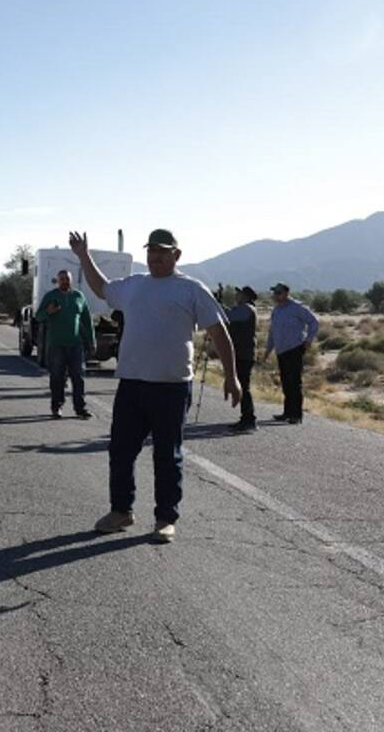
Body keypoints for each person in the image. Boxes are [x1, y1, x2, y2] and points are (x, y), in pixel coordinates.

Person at [70, 229, 241, 543]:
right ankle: (121, 511)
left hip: (171, 387)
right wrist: (83, 256)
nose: (155, 257)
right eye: (151, 251)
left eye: (162, 252)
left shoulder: (191, 289)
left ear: (176, 255)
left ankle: (165, 518)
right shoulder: (135, 285)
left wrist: (232, 376)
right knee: (121, 451)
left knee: (167, 454)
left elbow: (219, 333)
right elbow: (101, 288)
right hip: (132, 384)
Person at [34, 269, 94, 419]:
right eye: (61, 279)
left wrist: (91, 341)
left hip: (76, 344)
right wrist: (48, 312)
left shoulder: (79, 296)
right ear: (57, 281)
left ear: (71, 280)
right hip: (56, 345)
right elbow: (38, 316)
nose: (64, 282)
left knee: (78, 377)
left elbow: (87, 321)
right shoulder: (51, 296)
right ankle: (57, 407)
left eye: (67, 279)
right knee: (57, 377)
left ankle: (80, 409)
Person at [262, 283, 319, 424]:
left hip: (294, 349)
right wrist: (268, 350)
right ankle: (287, 412)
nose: (275, 295)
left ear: (286, 293)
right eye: (274, 292)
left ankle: (297, 415)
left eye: (278, 292)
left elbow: (313, 322)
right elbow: (272, 332)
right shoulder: (276, 310)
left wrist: (308, 340)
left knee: (294, 383)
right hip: (281, 351)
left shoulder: (297, 308)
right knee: (286, 383)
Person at [225, 286, 258, 432]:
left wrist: (216, 306)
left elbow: (229, 316)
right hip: (240, 353)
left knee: (244, 386)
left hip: (244, 354)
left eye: (238, 293)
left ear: (244, 296)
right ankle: (246, 418)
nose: (236, 295)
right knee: (243, 385)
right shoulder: (242, 309)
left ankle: (249, 420)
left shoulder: (247, 309)